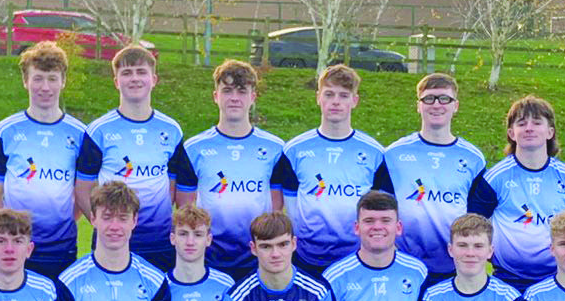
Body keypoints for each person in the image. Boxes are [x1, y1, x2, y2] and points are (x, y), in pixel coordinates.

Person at [170, 59, 294, 279]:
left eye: (242, 91)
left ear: (253, 97)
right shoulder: (194, 148)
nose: (234, 98)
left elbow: (275, 205)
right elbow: (186, 208)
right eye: (227, 91)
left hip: (257, 259)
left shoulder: (275, 148)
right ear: (215, 96)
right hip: (210, 258)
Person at [76, 45, 185, 273]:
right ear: (116, 81)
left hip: (158, 243)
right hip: (112, 243)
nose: (134, 78)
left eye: (140, 72)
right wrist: (103, 225)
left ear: (154, 79)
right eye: (126, 73)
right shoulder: (99, 131)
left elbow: (173, 190)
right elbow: (83, 188)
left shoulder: (171, 130)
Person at [0, 43, 87, 280]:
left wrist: (60, 224)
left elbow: (82, 193)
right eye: (38, 79)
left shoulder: (80, 134)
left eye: (52, 79)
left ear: (63, 81)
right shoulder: (4, 131)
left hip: (61, 247)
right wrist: (14, 235)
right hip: (16, 250)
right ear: (25, 81)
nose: (45, 87)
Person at [278, 65, 387, 279]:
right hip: (307, 258)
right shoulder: (294, 150)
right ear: (318, 97)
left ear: (354, 101)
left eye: (344, 95)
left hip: (357, 259)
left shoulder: (375, 153)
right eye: (329, 94)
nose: (336, 101)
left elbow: (380, 211)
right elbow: (290, 210)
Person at [374, 73, 486, 279]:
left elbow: (478, 218)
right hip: (402, 266)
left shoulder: (473, 158)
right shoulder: (393, 155)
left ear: (456, 106)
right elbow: (381, 211)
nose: (436, 105)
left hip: (456, 267)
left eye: (445, 98)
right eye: (428, 98)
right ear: (418, 105)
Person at [469, 95, 565, 293]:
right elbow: (474, 227)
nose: (529, 128)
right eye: (522, 123)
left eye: (537, 123)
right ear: (511, 133)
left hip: (556, 283)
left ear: (550, 132)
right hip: (506, 282)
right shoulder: (494, 178)